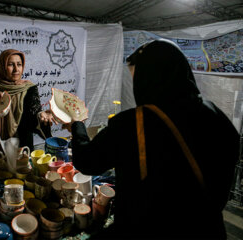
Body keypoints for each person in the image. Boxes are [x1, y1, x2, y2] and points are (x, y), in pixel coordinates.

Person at [65, 40, 239, 239]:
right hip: (207, 228)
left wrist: (77, 124)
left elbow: (87, 161)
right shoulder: (216, 116)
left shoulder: (136, 122)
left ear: (149, 76)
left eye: (136, 76)